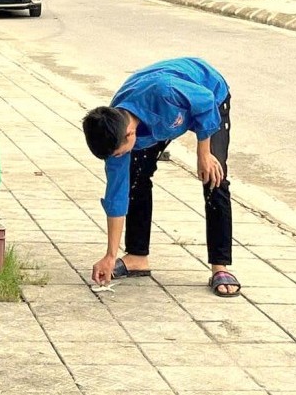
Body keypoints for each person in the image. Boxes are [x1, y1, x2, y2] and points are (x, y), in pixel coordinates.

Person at [82, 57, 240, 297]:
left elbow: (205, 101)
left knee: (214, 176)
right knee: (135, 177)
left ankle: (220, 266)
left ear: (129, 133)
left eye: (119, 153)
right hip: (166, 117)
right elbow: (117, 194)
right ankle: (136, 257)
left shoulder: (164, 92)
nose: (117, 158)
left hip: (208, 95)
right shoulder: (113, 132)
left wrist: (203, 152)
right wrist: (109, 255)